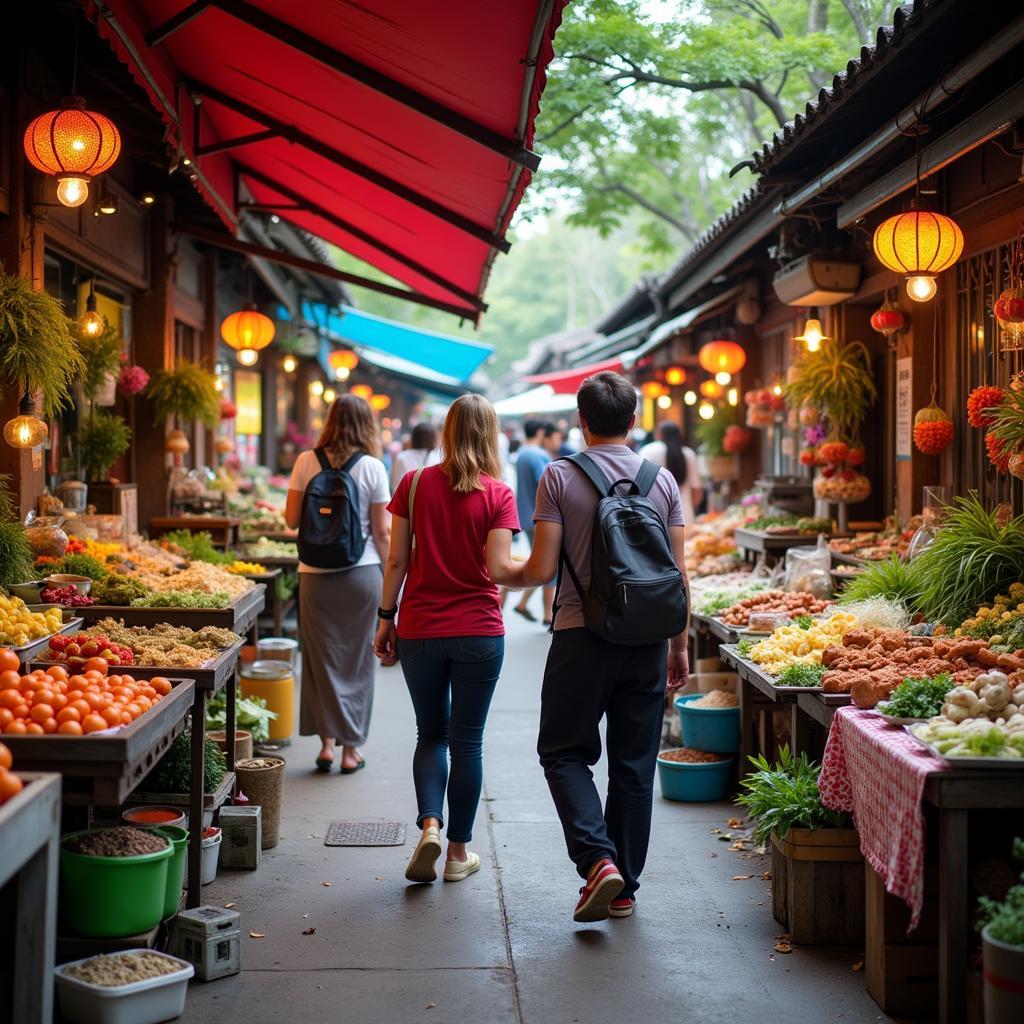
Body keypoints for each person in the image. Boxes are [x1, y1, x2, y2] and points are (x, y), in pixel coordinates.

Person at [491, 371, 690, 922]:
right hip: (650, 638)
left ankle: (598, 860)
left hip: (580, 636)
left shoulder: (559, 477)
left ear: (580, 421)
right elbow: (677, 573)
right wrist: (679, 647)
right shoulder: (663, 481)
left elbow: (541, 568)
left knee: (563, 752)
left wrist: (497, 572)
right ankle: (623, 887)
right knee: (634, 764)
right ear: (631, 421)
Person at [374, 395, 519, 884]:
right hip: (479, 629)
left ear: (448, 431)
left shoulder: (413, 485)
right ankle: (458, 854)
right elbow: (500, 570)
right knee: (468, 742)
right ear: (490, 434)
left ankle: (430, 826)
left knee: (430, 734)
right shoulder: (498, 494)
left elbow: (397, 561)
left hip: (419, 627)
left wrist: (384, 617)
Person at [285, 395, 391, 774]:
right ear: (368, 425)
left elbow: (291, 520)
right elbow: (381, 531)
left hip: (314, 574)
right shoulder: (374, 468)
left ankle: (326, 746)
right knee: (359, 660)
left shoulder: (305, 461)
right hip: (361, 574)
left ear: (330, 421)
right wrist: (394, 577)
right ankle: (351, 751)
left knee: (319, 658)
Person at [512, 419, 552, 625]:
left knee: (543, 562)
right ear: (539, 431)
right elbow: (546, 483)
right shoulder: (538, 454)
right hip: (540, 517)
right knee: (548, 564)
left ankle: (525, 605)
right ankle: (547, 615)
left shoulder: (523, 453)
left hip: (525, 515)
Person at [640, 420, 703, 525]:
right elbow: (697, 491)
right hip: (685, 516)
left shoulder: (648, 450)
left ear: (659, 434)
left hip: (653, 517)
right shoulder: (688, 454)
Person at [389, 422, 441, 493]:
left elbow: (395, 484)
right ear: (433, 439)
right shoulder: (438, 458)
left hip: (406, 501)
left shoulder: (401, 457)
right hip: (429, 501)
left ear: (413, 438)